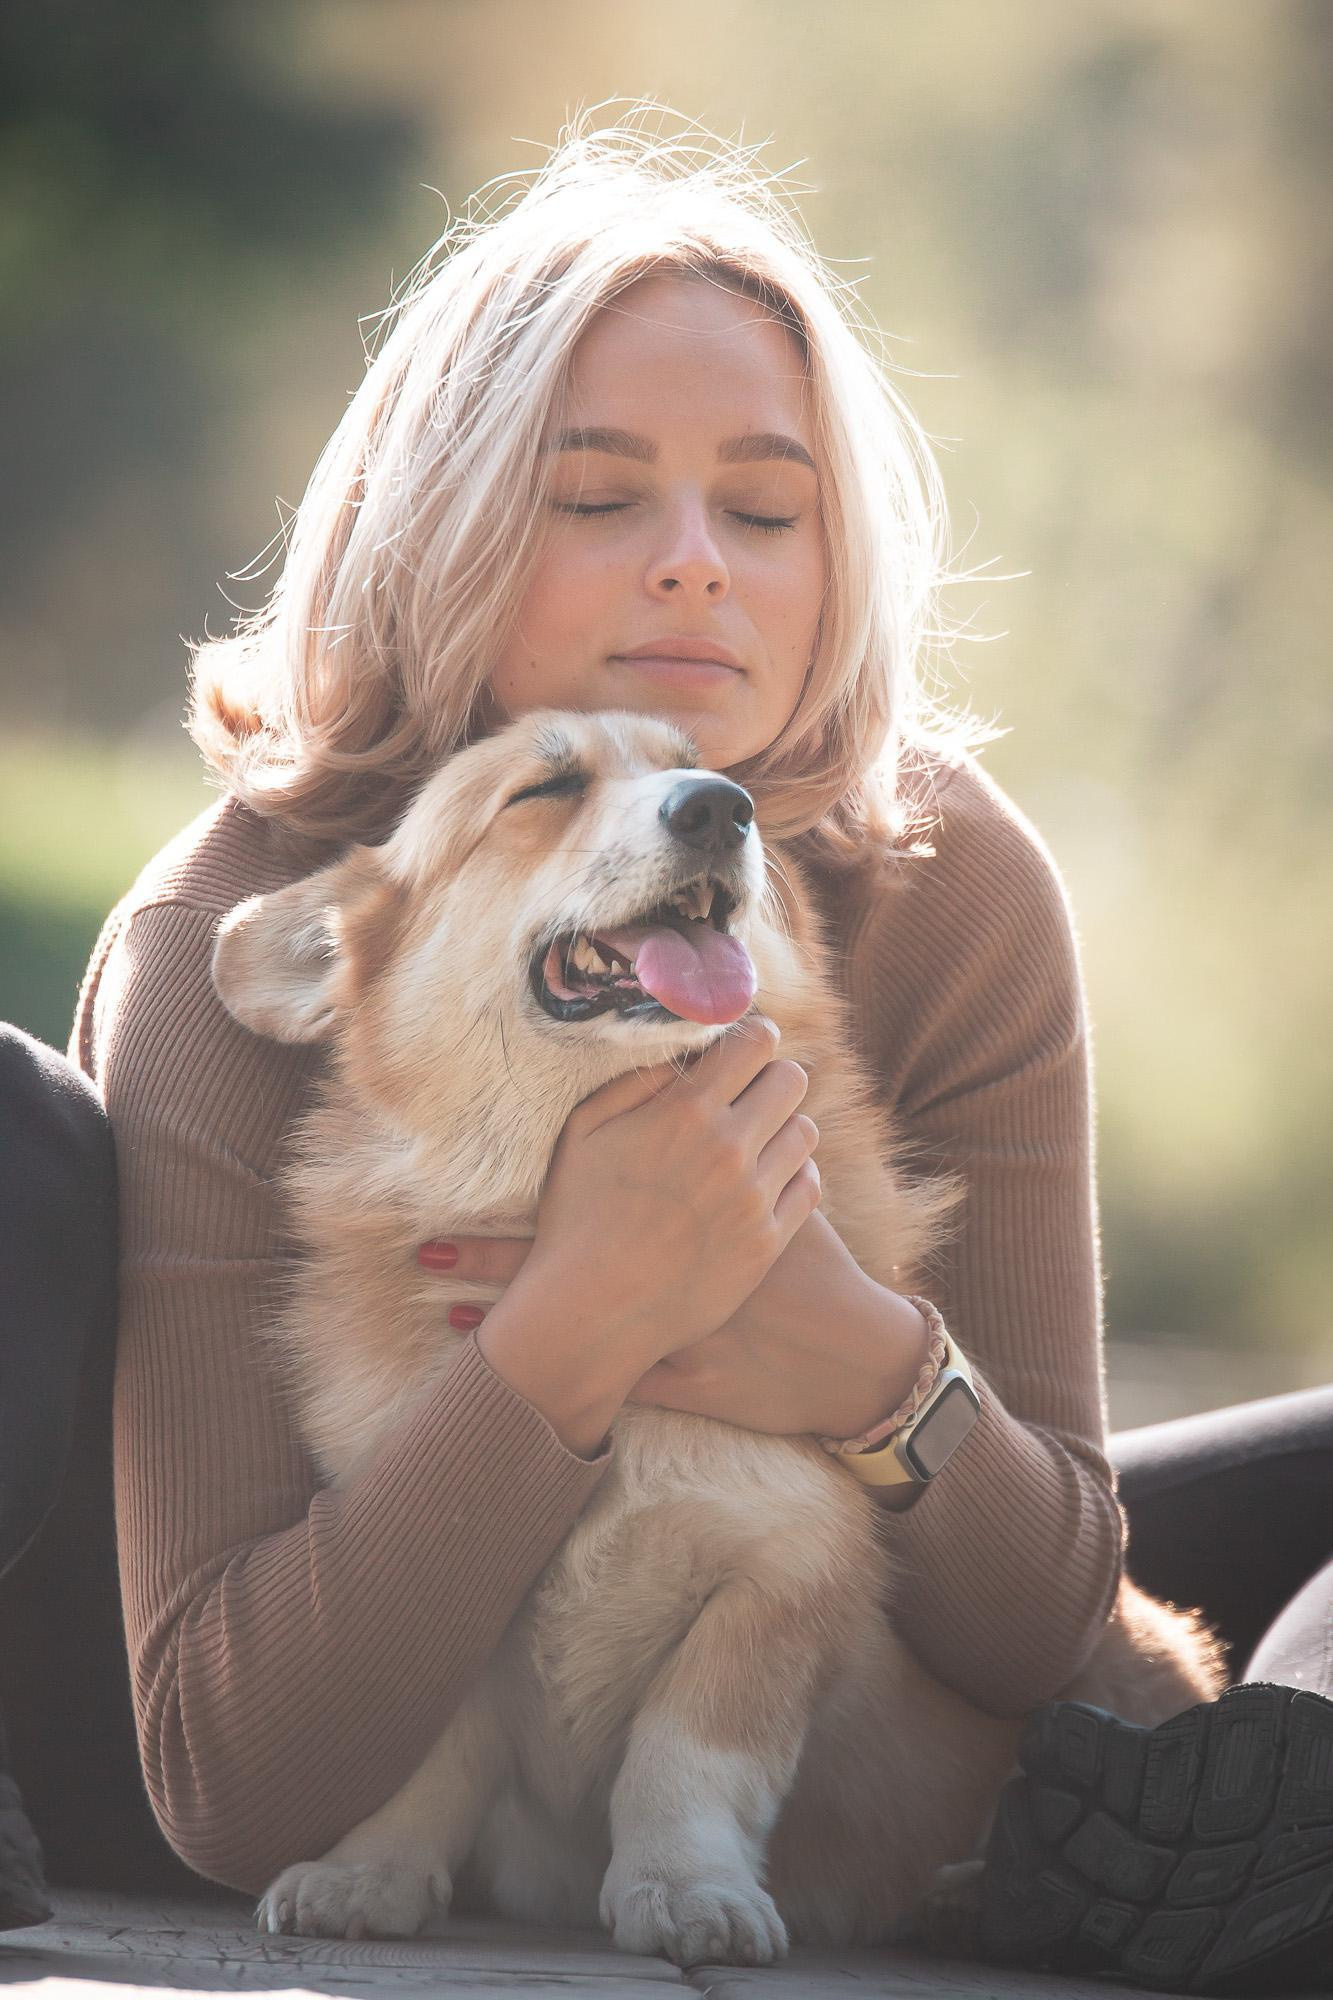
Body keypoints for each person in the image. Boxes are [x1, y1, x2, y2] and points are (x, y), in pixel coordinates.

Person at [2, 115, 1329, 1992]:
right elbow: (239, 1773)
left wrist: (854, 1358)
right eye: (598, 497)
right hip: (304, 1718)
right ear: (440, 530)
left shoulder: (947, 885)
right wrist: (587, 1311)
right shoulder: (247, 936)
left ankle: (1277, 1822)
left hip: (806, 1610)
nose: (696, 567)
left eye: (765, 513)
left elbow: (1042, 1617)